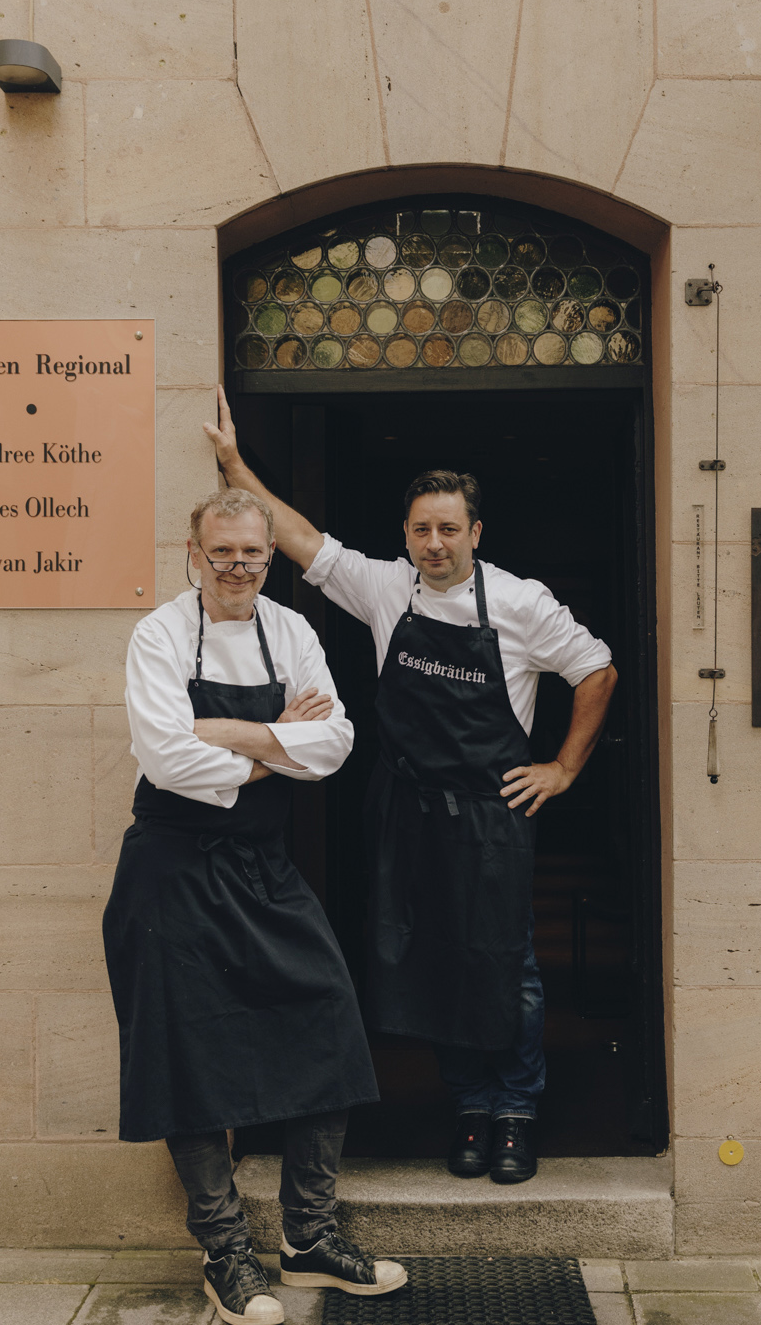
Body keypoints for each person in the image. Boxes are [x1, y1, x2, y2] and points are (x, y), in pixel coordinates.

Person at [205, 389, 617, 1186]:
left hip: (493, 816)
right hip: (408, 810)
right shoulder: (386, 588)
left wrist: (562, 768)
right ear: (406, 534)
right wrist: (232, 464)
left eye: (449, 529)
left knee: (508, 966)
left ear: (475, 533)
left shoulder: (521, 603)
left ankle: (515, 1113)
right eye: (421, 529)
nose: (435, 543)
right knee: (428, 963)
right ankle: (467, 1106)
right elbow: (299, 542)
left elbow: (596, 669)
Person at [103, 486, 406, 1325]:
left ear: (270, 559)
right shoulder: (158, 633)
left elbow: (338, 742)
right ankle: (225, 1253)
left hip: (264, 869)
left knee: (327, 1019)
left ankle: (308, 1239)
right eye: (222, 551)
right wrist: (281, 738)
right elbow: (167, 760)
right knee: (186, 1060)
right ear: (192, 552)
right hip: (171, 872)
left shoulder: (292, 629)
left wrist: (229, 732)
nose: (238, 566)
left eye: (254, 554)